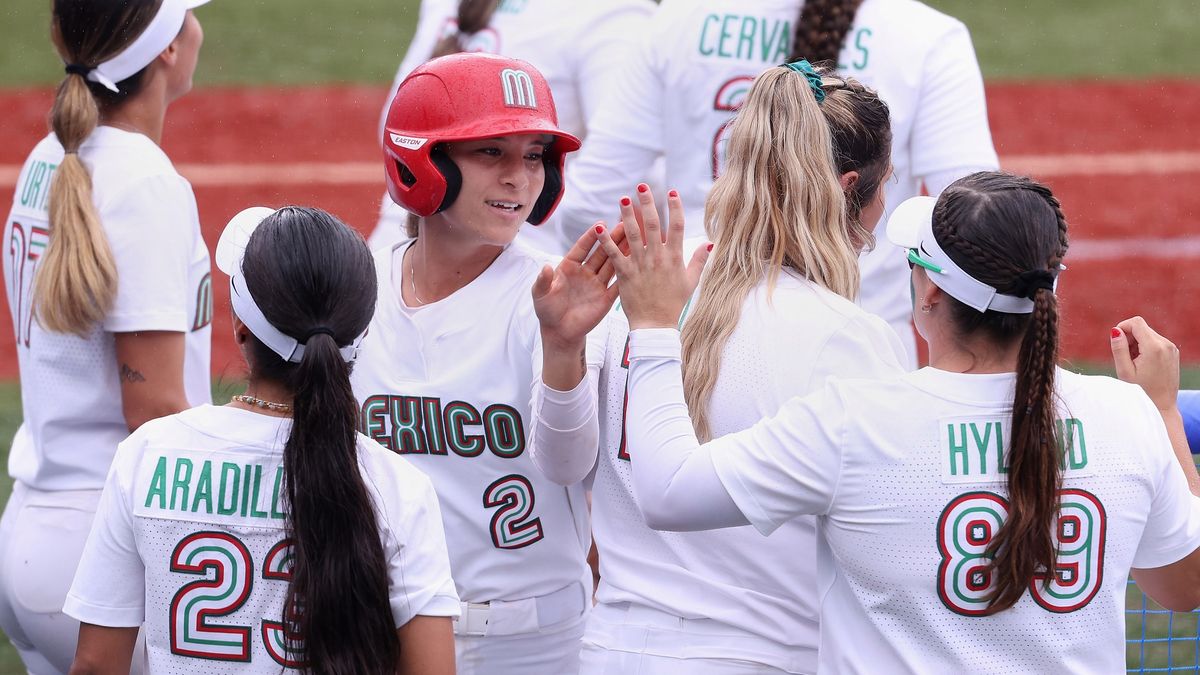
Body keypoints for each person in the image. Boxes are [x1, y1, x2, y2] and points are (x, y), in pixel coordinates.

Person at [606, 170, 1200, 673]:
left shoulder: (855, 422)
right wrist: (1166, 412)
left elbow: (668, 493)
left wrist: (657, 325)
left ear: (931, 293)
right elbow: (1184, 588)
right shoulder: (1128, 417)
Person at [533, 63, 903, 673]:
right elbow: (885, 548)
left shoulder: (637, 290)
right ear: (852, 185)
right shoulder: (852, 340)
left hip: (609, 652)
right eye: (885, 185)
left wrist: (560, 348)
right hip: (765, 656)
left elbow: (561, 467)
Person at [63, 206, 460, 674]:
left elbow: (95, 665)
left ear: (240, 328)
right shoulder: (397, 486)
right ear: (361, 333)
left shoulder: (147, 455)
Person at [352, 53, 617, 674]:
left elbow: (570, 464)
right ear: (422, 161)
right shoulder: (359, 294)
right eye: (490, 152)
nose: (518, 177)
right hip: (381, 627)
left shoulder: (556, 297)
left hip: (532, 641)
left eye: (533, 155)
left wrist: (562, 348)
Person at [558, 0, 1000, 365]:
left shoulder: (676, 20)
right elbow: (974, 220)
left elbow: (589, 202)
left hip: (695, 339)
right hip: (861, 346)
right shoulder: (925, 35)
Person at [0, 1, 213, 671]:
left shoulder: (50, 157)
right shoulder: (145, 181)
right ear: (167, 51)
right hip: (110, 557)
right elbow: (152, 408)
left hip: (35, 531)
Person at [366, 0, 656, 255]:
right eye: (492, 150)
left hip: (400, 247)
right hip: (525, 261)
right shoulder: (614, 12)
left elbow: (395, 129)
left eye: (533, 155)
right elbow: (622, 161)